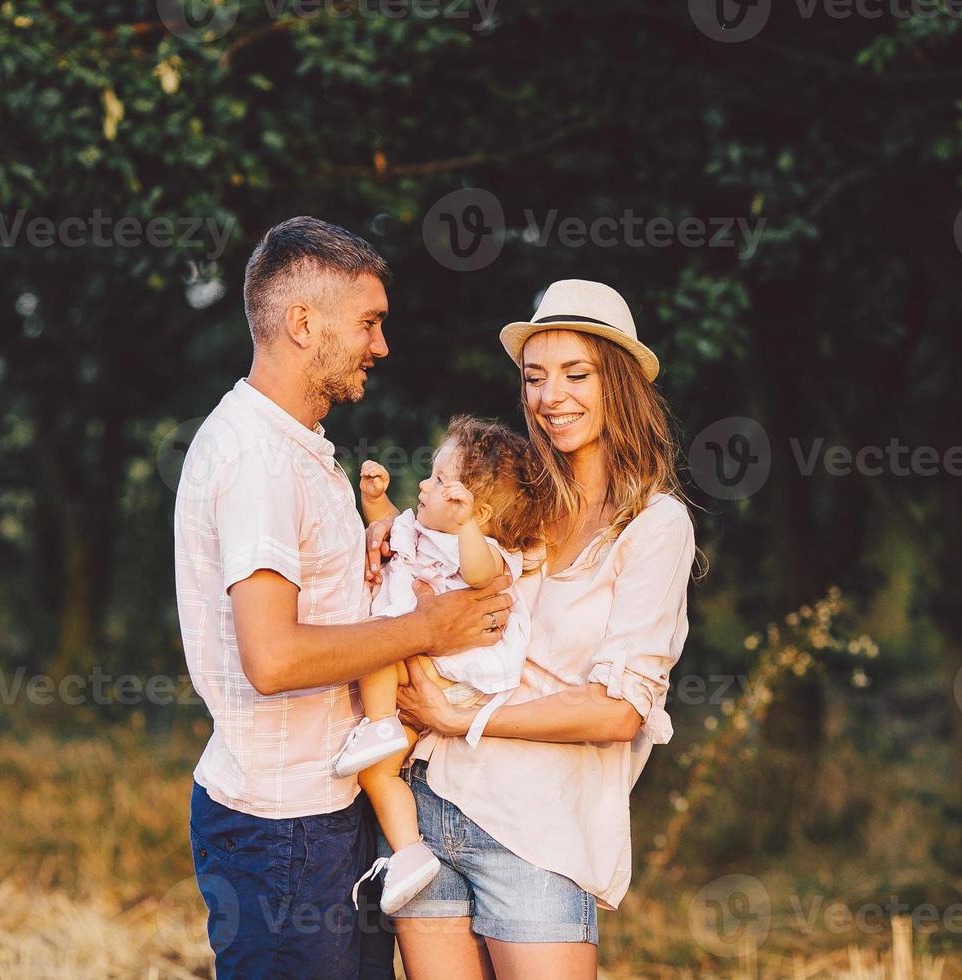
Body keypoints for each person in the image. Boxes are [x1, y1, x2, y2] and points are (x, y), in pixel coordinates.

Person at [173, 216, 514, 979]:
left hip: (326, 815)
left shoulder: (297, 450)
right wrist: (424, 624)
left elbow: (312, 610)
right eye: (369, 323)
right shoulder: (259, 459)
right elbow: (274, 656)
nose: (381, 345)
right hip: (283, 828)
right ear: (303, 324)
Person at [388, 279, 699, 979]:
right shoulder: (514, 503)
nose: (550, 396)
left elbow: (620, 710)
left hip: (539, 832)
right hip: (429, 806)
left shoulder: (655, 527)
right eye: (534, 378)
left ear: (616, 383)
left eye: (575, 374)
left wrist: (463, 715)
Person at [335, 417, 542, 916]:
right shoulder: (422, 530)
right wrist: (374, 501)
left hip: (458, 673)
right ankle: (410, 854)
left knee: (376, 645)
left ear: (478, 510)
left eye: (438, 480)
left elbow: (476, 573)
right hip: (424, 678)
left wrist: (469, 526)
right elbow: (390, 532)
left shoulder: (489, 552)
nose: (424, 484)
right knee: (377, 775)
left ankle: (380, 724)